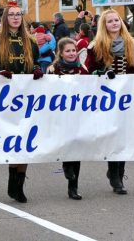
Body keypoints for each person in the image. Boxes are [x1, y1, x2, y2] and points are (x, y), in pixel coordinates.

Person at [0, 1, 43, 203]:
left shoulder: (31, 42)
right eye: (12, 15)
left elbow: (37, 63)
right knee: (12, 141)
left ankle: (19, 185)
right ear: (5, 18)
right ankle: (12, 181)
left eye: (19, 14)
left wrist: (37, 70)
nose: (16, 18)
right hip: (5, 100)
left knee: (26, 141)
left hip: (27, 99)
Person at [85, 9, 134, 195]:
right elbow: (89, 71)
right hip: (106, 97)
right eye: (110, 21)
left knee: (123, 135)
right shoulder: (96, 45)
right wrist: (100, 73)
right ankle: (114, 174)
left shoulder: (131, 44)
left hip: (126, 97)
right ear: (104, 25)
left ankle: (119, 174)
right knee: (112, 134)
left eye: (117, 20)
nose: (114, 23)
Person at [47, 38, 88, 200]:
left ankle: (73, 188)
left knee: (76, 149)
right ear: (61, 53)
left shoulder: (82, 69)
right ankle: (65, 165)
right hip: (60, 115)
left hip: (78, 115)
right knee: (66, 145)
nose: (71, 54)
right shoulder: (53, 69)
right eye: (68, 51)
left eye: (73, 51)